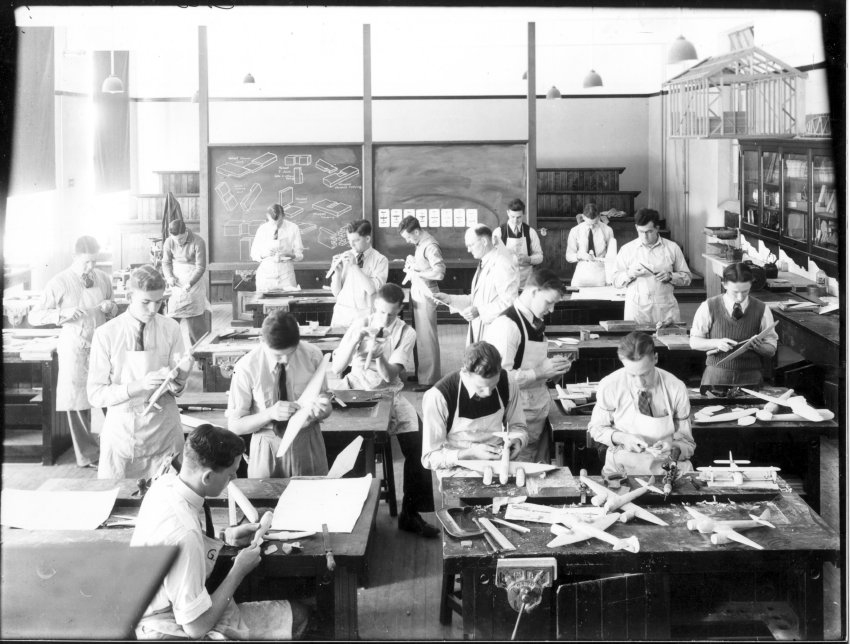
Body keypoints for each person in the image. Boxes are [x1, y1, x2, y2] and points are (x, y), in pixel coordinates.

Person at [132, 424, 309, 640]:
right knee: (298, 617)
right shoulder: (184, 533)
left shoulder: (165, 485)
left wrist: (224, 538)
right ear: (207, 477)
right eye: (230, 474)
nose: (232, 480)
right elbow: (196, 628)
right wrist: (238, 571)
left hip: (151, 605)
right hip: (165, 629)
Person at [332, 283, 438, 538]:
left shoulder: (406, 332)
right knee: (347, 444)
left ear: (400, 309)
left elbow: (391, 374)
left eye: (391, 314)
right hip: (356, 390)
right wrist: (357, 339)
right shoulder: (361, 323)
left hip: (389, 393)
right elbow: (337, 367)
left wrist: (379, 356)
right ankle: (351, 512)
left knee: (421, 444)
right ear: (374, 307)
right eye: (381, 312)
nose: (385, 319)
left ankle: (410, 513)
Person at [88, 265, 191, 479]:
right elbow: (96, 395)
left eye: (159, 301)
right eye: (145, 302)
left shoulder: (170, 327)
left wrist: (181, 375)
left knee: (168, 499)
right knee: (118, 499)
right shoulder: (106, 333)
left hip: (165, 429)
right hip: (123, 431)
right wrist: (138, 386)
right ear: (129, 296)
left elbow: (177, 388)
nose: (153, 309)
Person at [28, 235, 118, 468]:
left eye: (94, 262)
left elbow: (113, 304)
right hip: (74, 347)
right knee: (78, 400)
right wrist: (61, 315)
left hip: (101, 344)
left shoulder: (103, 278)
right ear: (75, 258)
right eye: (86, 262)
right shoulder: (60, 282)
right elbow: (35, 315)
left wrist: (111, 307)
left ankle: (117, 445)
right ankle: (88, 455)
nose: (91, 267)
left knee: (110, 394)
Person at [226, 310, 333, 478]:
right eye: (277, 355)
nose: (285, 360)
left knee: (312, 499)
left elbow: (325, 401)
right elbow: (235, 426)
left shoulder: (312, 355)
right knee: (264, 501)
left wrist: (324, 410)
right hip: (267, 444)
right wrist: (269, 414)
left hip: (307, 441)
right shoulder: (246, 367)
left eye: (290, 353)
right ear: (262, 341)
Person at [484, 269, 573, 463]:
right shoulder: (507, 327)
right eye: (549, 302)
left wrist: (552, 372)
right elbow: (498, 381)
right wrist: (540, 371)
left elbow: (530, 365)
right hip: (516, 420)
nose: (551, 310)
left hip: (536, 413)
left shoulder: (533, 321)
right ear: (533, 291)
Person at [588, 331, 695, 477]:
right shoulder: (610, 385)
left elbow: (688, 443)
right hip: (621, 468)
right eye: (632, 375)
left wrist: (672, 447)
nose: (639, 383)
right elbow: (596, 429)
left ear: (655, 358)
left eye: (645, 374)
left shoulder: (676, 388)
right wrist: (623, 438)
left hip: (668, 467)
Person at [421, 341, 528, 478]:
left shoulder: (507, 382)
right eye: (481, 388)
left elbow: (518, 425)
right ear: (465, 372)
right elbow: (429, 457)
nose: (488, 393)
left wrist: (517, 440)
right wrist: (469, 453)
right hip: (457, 467)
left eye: (493, 385)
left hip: (497, 462)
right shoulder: (439, 396)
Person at [689, 262, 778, 393]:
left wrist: (759, 346)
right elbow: (694, 342)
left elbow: (771, 350)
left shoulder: (762, 309)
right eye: (735, 292)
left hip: (751, 380)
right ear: (724, 284)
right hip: (716, 379)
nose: (740, 297)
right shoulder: (708, 306)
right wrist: (717, 343)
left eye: (745, 291)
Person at [434, 225, 519, 345]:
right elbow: (476, 299)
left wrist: (480, 311)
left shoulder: (502, 264)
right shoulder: (484, 263)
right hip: (480, 329)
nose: (468, 250)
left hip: (495, 333)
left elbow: (510, 303)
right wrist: (450, 299)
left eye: (471, 245)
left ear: (484, 241)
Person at [612, 208, 692, 327]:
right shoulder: (627, 249)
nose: (644, 236)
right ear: (636, 228)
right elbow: (615, 281)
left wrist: (670, 276)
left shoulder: (672, 248)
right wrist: (629, 274)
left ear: (657, 228)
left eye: (649, 231)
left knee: (667, 341)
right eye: (641, 231)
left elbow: (687, 278)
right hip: (637, 310)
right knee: (637, 343)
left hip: (665, 309)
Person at [399, 215, 445, 387]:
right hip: (419, 292)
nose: (408, 241)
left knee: (428, 338)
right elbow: (425, 266)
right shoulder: (420, 244)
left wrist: (418, 273)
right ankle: (422, 375)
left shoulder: (430, 246)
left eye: (409, 237)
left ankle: (430, 380)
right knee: (421, 337)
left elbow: (439, 273)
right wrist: (414, 265)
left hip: (426, 293)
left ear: (417, 231)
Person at [329, 219, 388, 327]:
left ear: (367, 238)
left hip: (366, 316)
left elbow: (371, 290)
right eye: (349, 240)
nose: (352, 244)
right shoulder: (345, 256)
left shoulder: (380, 260)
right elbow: (336, 293)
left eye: (356, 240)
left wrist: (354, 266)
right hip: (343, 315)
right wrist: (337, 273)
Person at [161, 219, 210, 347]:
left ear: (186, 231)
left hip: (193, 281)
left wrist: (190, 283)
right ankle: (168, 354)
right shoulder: (169, 241)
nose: (179, 242)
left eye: (182, 239)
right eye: (176, 239)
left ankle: (201, 358)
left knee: (196, 325)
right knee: (171, 323)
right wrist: (169, 277)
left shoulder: (198, 241)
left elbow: (200, 267)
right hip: (176, 282)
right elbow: (166, 263)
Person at [250, 204, 304, 292]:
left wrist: (290, 255)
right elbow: (254, 254)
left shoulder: (293, 228)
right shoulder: (262, 229)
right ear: (267, 217)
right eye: (272, 222)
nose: (275, 225)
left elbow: (300, 255)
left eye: (278, 221)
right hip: (266, 275)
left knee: (288, 301)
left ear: (283, 216)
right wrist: (265, 254)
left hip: (286, 275)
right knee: (266, 303)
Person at [492, 198, 543, 289]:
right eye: (512, 217)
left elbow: (540, 257)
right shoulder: (498, 232)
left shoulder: (531, 232)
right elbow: (493, 257)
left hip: (526, 279)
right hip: (505, 279)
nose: (515, 220)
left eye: (519, 217)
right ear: (508, 213)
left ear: (523, 214)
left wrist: (529, 259)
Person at [565, 203, 616, 287]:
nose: (592, 226)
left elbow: (611, 257)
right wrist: (580, 256)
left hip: (600, 273)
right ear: (583, 217)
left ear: (599, 216)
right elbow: (569, 256)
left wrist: (609, 278)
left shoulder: (608, 230)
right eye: (589, 224)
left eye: (595, 223)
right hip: (581, 273)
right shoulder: (575, 231)